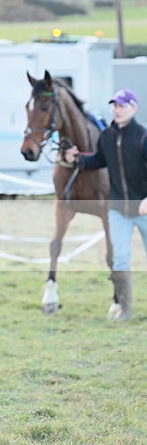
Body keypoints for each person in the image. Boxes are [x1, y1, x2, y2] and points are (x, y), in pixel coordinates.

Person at [65, 89, 147, 320]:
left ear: (134, 108)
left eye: (122, 106)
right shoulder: (107, 136)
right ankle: (124, 309)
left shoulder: (143, 136)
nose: (117, 110)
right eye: (115, 106)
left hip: (143, 208)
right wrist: (78, 158)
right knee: (119, 259)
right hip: (118, 210)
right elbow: (99, 160)